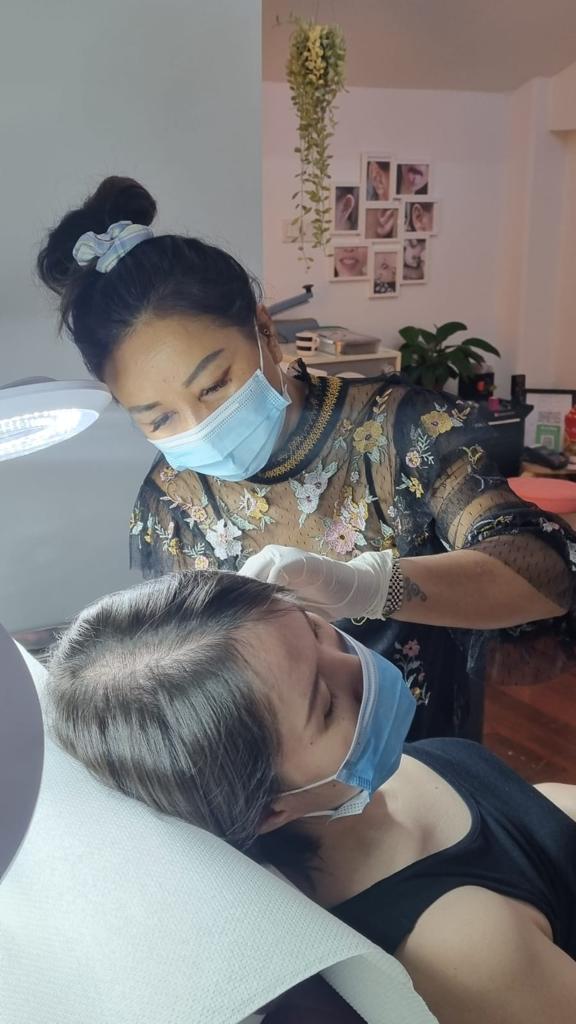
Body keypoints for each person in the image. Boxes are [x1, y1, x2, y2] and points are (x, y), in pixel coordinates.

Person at [36, 175, 575, 741]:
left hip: (424, 759)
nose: (200, 428)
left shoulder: (401, 433)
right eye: (158, 418)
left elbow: (544, 574)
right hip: (281, 774)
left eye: (215, 385)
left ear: (264, 331)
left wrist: (371, 586)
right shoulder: (173, 498)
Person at [46, 569, 576, 1024]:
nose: (360, 666)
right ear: (270, 809)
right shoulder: (467, 949)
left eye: (316, 629)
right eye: (325, 707)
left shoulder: (357, 786)